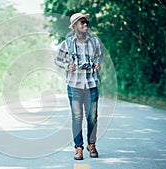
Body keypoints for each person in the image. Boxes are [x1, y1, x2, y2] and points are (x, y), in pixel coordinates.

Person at [55, 12, 103, 160]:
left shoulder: (94, 42)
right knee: (77, 118)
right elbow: (57, 60)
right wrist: (66, 66)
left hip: (91, 84)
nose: (85, 24)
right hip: (74, 86)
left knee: (92, 117)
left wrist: (97, 64)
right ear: (75, 25)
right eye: (82, 22)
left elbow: (99, 56)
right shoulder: (67, 43)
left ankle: (92, 145)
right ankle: (78, 148)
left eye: (86, 22)